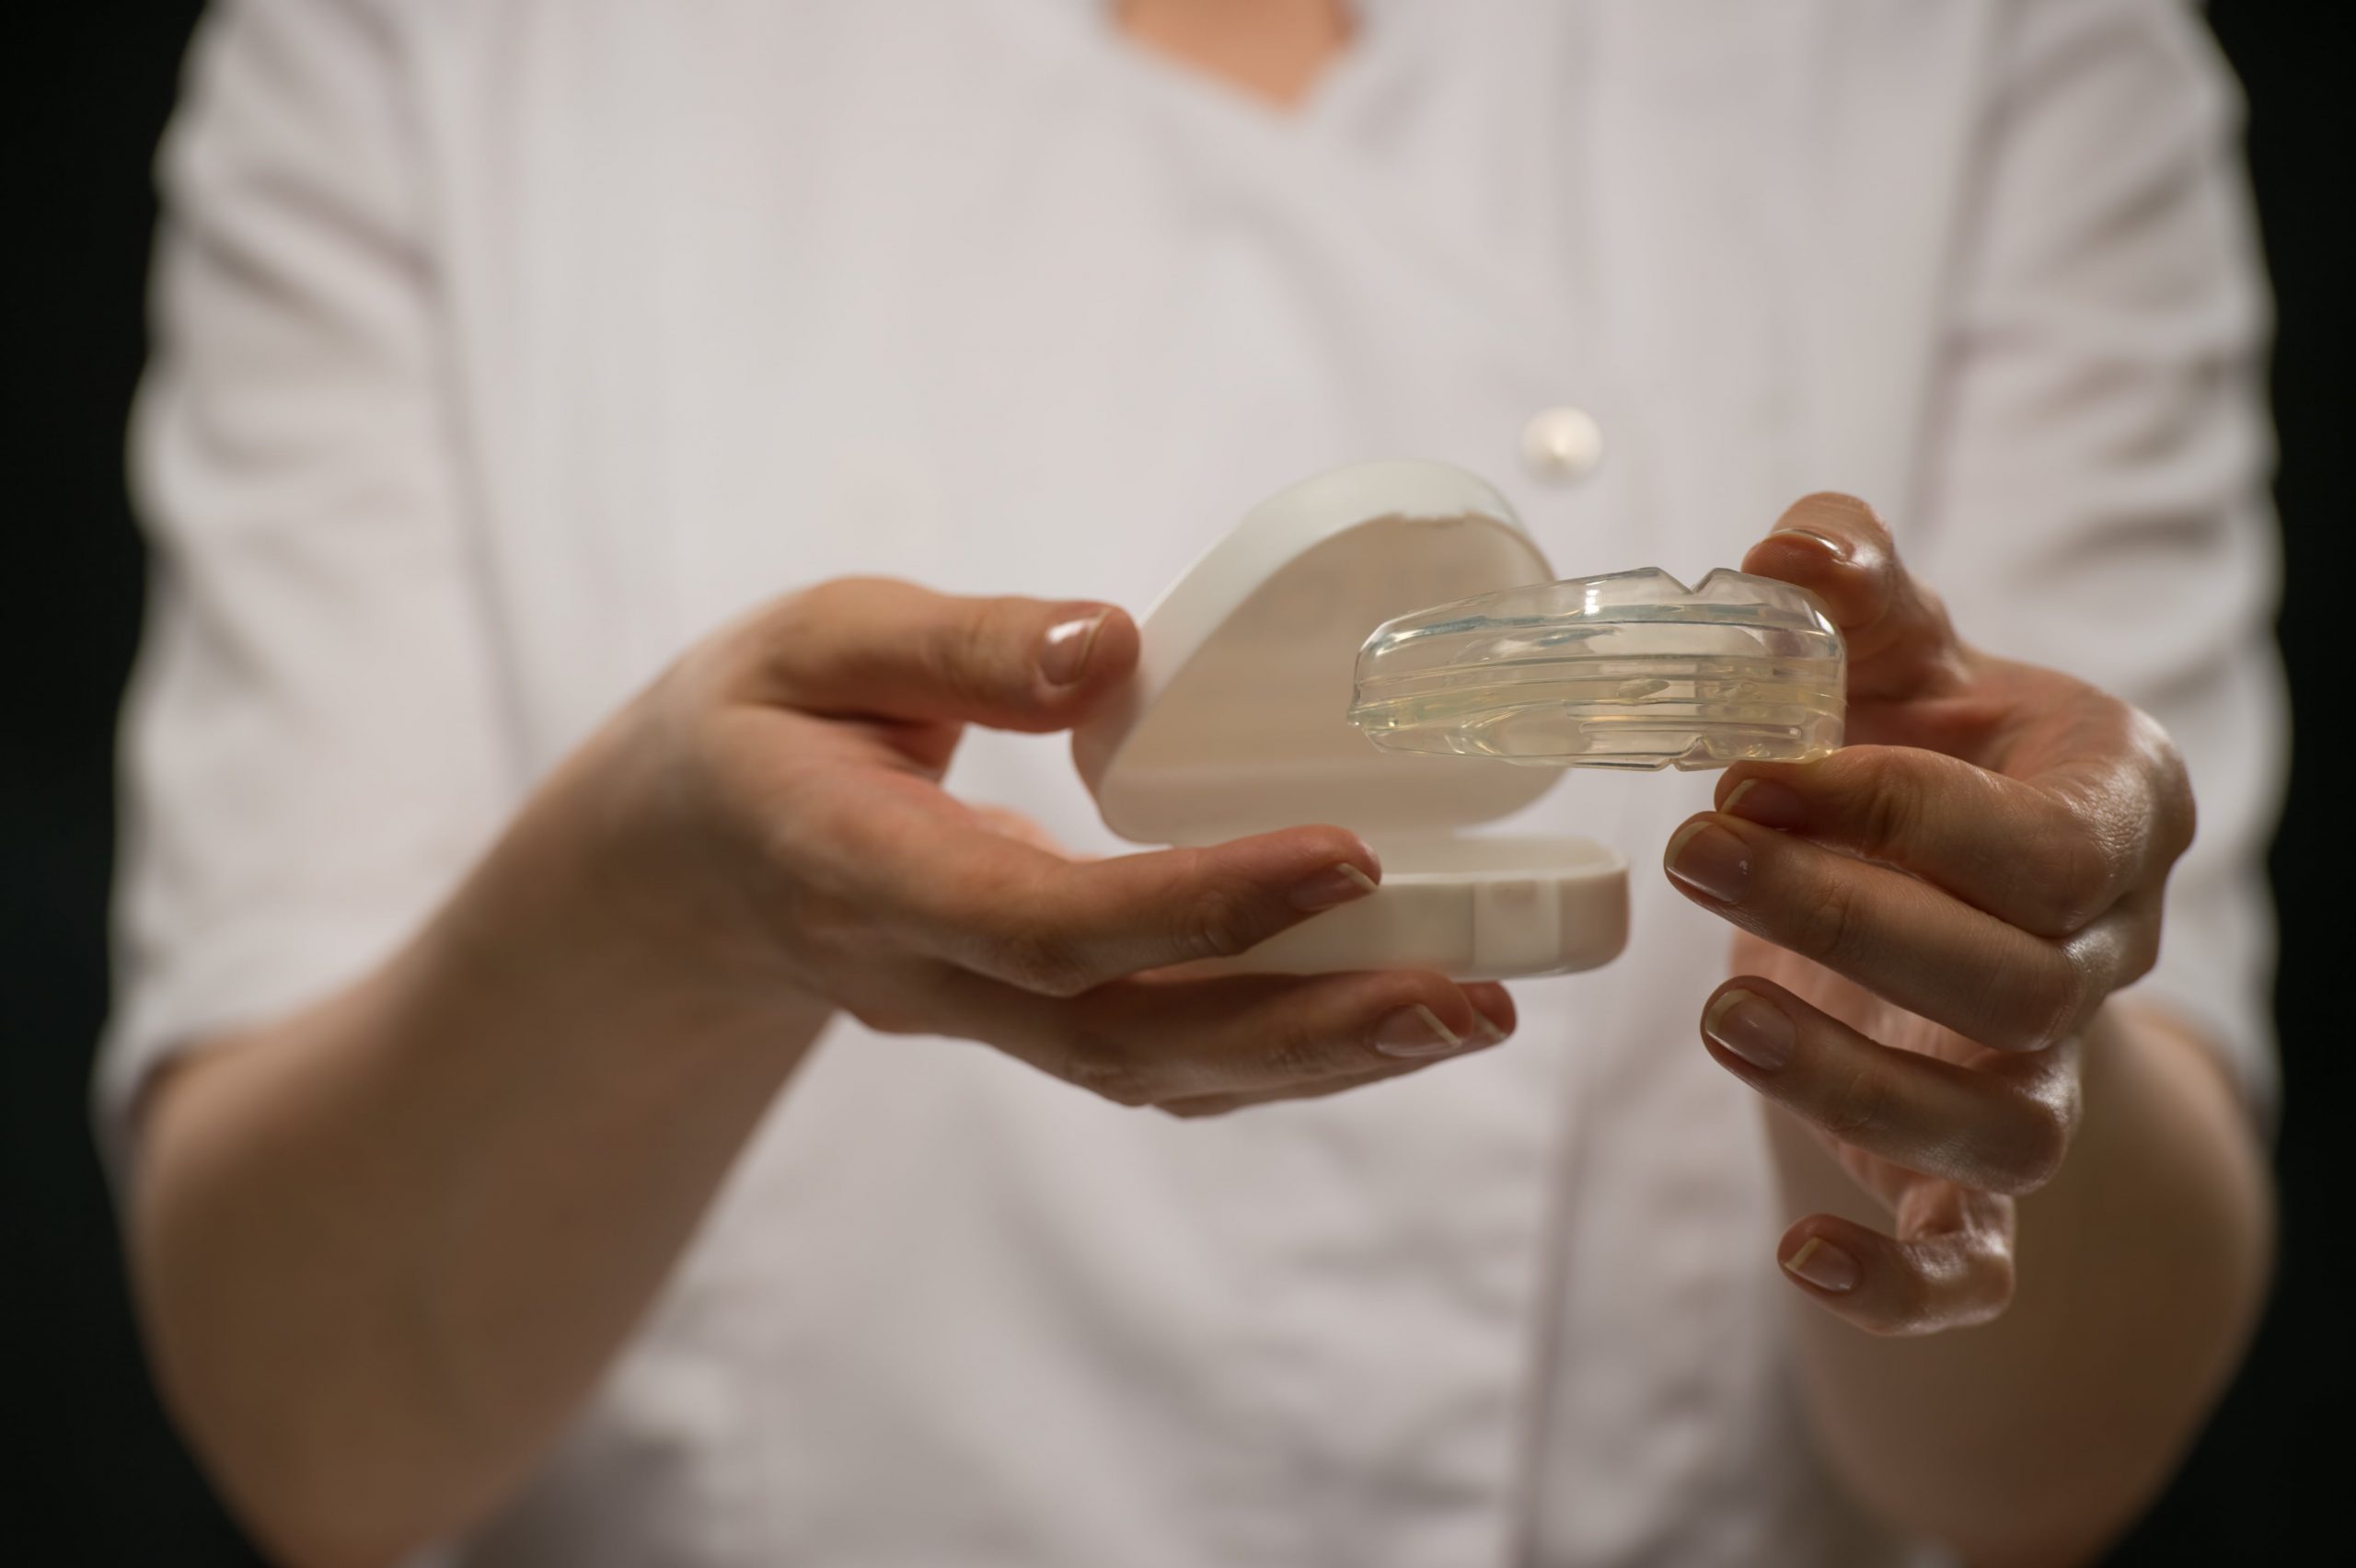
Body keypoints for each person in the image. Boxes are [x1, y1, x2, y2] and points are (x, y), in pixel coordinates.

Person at [100, 1, 2282, 1563]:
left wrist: (1978, 1004)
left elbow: (2037, 1483)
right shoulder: (417, 48)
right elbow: (321, 1446)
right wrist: (659, 916)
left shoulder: (2003, 49)